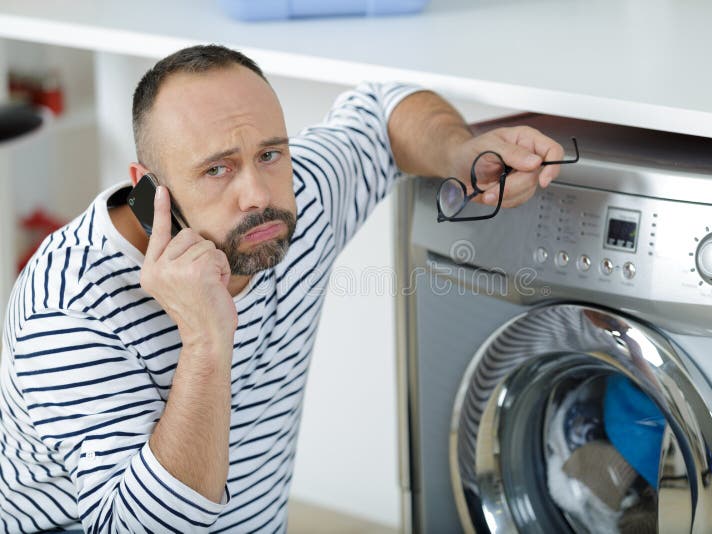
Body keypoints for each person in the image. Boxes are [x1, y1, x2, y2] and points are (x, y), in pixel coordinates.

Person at [0, 44, 564, 532]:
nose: (258, 194)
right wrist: (205, 340)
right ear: (150, 193)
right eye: (217, 169)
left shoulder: (297, 198)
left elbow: (381, 108)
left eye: (270, 153)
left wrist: (459, 155)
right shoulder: (70, 309)